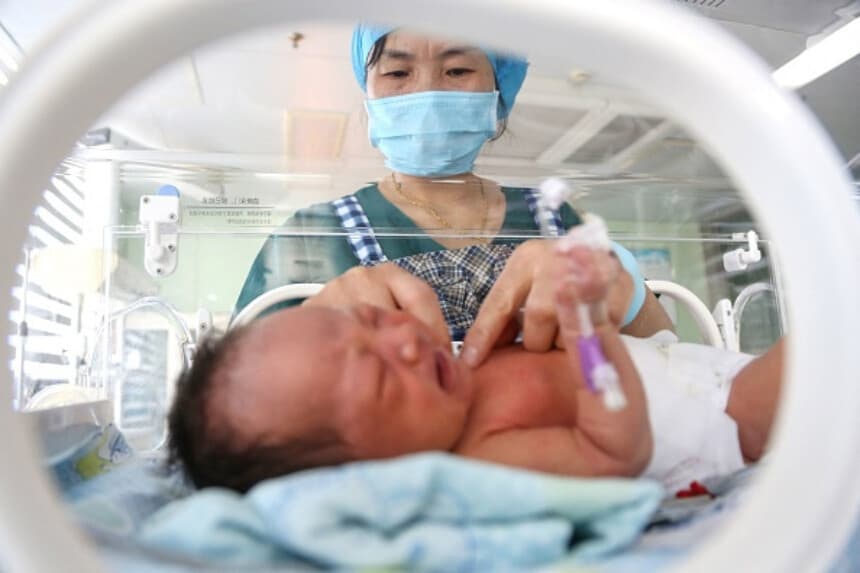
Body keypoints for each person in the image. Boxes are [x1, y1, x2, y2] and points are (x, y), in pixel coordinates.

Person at [172, 243, 782, 494]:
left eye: (374, 321)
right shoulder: (481, 454)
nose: (405, 342)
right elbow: (614, 451)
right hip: (719, 421)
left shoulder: (458, 378)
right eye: (382, 381)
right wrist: (591, 336)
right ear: (367, 477)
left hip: (685, 368)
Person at [234, 24, 674, 366]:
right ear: (367, 93)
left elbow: (674, 364)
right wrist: (313, 332)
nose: (427, 92)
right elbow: (239, 398)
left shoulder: (556, 219)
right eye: (397, 72)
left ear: (498, 90)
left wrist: (624, 284)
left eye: (458, 70)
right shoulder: (312, 235)